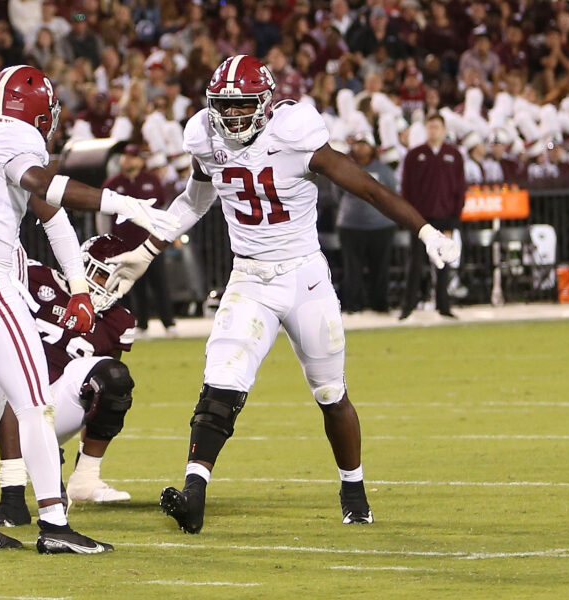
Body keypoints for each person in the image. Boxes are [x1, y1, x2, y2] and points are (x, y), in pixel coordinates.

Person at [104, 55, 459, 533]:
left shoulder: (294, 135)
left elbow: (367, 188)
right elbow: (196, 198)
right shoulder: (205, 137)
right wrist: (148, 246)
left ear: (265, 104)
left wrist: (425, 230)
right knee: (220, 381)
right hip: (249, 276)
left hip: (304, 277)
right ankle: (194, 493)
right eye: (223, 107)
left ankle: (352, 488)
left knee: (331, 393)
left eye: (241, 106)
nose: (230, 117)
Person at [0, 64, 175, 552]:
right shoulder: (13, 137)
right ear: (36, 112)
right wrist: (122, 202)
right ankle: (54, 524)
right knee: (34, 407)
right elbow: (46, 187)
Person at [0, 236, 140, 525]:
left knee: (114, 378)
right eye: (100, 273)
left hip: (54, 404)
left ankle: (86, 477)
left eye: (117, 278)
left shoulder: (118, 320)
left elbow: (99, 391)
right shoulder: (33, 278)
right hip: (7, 394)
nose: (108, 284)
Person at [98, 145, 176, 336]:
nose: (129, 160)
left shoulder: (151, 180)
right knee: (131, 285)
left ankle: (169, 323)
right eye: (126, 156)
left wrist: (164, 235)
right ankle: (140, 324)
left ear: (141, 161)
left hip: (151, 243)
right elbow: (102, 214)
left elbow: (164, 207)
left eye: (133, 157)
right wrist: (106, 239)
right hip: (125, 244)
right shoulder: (113, 183)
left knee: (160, 283)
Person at [398, 113, 465, 321]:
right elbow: (406, 188)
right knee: (415, 263)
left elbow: (460, 188)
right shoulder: (414, 155)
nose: (433, 130)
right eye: (430, 126)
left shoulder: (454, 155)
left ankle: (443, 306)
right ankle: (408, 306)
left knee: (443, 263)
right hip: (421, 219)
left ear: (444, 129)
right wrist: (409, 216)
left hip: (445, 217)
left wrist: (455, 216)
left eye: (437, 127)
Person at [332, 132, 397, 314]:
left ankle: (379, 303)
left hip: (381, 225)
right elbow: (337, 192)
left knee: (380, 267)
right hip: (351, 226)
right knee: (352, 267)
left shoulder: (384, 169)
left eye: (363, 144)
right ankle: (353, 304)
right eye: (357, 144)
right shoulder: (345, 167)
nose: (359, 148)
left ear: (372, 147)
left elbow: (392, 193)